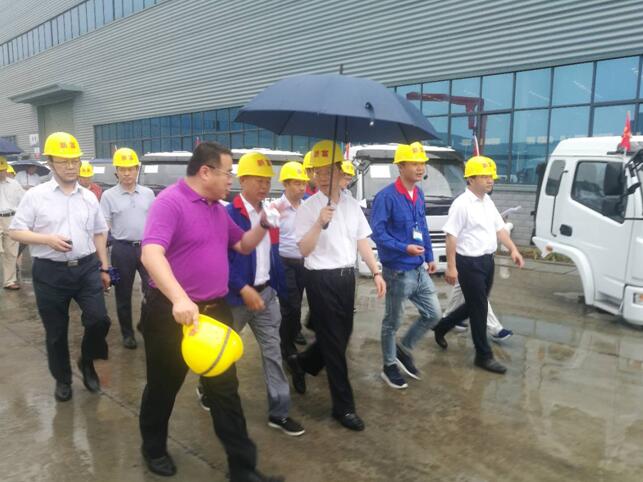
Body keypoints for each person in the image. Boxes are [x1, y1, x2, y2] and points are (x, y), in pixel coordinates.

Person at [138, 141, 283, 481]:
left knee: (225, 391)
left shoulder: (217, 209)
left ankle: (243, 469)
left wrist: (264, 223)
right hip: (172, 315)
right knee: (163, 385)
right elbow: (151, 254)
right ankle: (153, 448)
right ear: (205, 172)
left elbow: (243, 244)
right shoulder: (169, 203)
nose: (231, 180)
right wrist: (179, 298)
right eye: (227, 173)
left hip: (215, 314)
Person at [286, 140, 386, 432]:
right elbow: (303, 250)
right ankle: (344, 407)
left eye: (327, 170)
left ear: (340, 171)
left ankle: (302, 363)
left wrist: (376, 271)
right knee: (334, 344)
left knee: (341, 336)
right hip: (320, 279)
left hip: (346, 278)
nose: (321, 177)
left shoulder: (352, 205)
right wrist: (319, 223)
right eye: (316, 171)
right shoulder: (309, 208)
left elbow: (361, 240)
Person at [9, 132, 111, 401]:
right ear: (50, 163)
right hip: (49, 272)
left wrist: (104, 267)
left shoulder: (89, 197)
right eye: (63, 161)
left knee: (99, 320)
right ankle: (63, 380)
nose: (70, 166)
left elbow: (99, 233)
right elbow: (15, 231)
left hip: (86, 268)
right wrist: (47, 240)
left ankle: (86, 361)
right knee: (56, 332)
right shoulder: (36, 196)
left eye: (74, 161)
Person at [223, 152, 304, 437]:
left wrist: (278, 290)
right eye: (258, 180)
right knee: (223, 353)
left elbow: (274, 254)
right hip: (236, 300)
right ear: (242, 180)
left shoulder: (270, 213)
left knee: (273, 353)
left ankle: (279, 412)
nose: (264, 186)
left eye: (267, 181)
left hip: (266, 296)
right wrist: (241, 288)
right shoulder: (229, 215)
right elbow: (221, 262)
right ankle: (207, 387)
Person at [432, 156, 524, 374]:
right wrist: (451, 267)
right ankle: (483, 355)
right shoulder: (461, 204)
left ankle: (442, 326)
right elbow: (451, 236)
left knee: (475, 305)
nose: (490, 180)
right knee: (479, 309)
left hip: (487, 261)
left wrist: (513, 249)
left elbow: (500, 229)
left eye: (491, 176)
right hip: (469, 263)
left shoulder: (488, 202)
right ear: (471, 179)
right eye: (484, 176)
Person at [370, 142, 442, 389]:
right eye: (414, 163)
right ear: (400, 167)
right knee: (393, 321)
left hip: (419, 268)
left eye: (422, 163)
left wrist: (429, 256)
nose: (420, 168)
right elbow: (378, 233)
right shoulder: (386, 197)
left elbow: (422, 227)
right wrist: (404, 248)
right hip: (398, 271)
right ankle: (389, 365)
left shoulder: (418, 194)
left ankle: (404, 348)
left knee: (434, 314)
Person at [100, 148, 155, 350]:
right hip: (122, 249)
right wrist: (102, 260)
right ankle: (127, 333)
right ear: (116, 171)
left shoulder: (148, 194)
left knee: (154, 290)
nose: (127, 173)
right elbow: (103, 228)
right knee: (123, 294)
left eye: (130, 169)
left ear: (137, 170)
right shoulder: (108, 196)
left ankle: (145, 324)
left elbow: (156, 222)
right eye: (122, 169)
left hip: (146, 248)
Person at [275, 161, 309, 364]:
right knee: (291, 305)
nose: (302, 188)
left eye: (304, 183)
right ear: (285, 184)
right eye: (297, 183)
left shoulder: (307, 207)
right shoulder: (275, 209)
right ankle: (285, 345)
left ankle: (294, 330)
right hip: (284, 263)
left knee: (298, 301)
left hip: (303, 262)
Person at [0, 156, 25, 290]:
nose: (1, 173)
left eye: (2, 170)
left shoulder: (14, 184)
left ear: (6, 169)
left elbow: (24, 201)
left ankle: (9, 281)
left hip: (11, 218)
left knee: (11, 252)